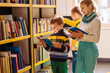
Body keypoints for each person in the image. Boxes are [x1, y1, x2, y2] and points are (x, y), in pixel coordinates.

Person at [69, 0, 101, 73]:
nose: (81, 10)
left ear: (90, 6)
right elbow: (79, 36)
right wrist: (74, 36)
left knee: (89, 71)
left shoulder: (96, 21)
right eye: (81, 8)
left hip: (90, 49)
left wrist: (82, 35)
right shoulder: (82, 20)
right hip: (81, 48)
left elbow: (96, 39)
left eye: (83, 8)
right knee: (78, 71)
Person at [70, 6, 82, 73]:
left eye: (72, 16)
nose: (72, 18)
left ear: (74, 14)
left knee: (76, 65)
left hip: (77, 48)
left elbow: (77, 37)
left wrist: (73, 45)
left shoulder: (78, 24)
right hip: (79, 48)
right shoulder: (80, 22)